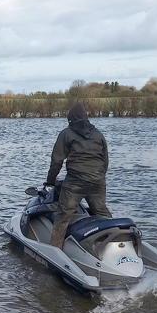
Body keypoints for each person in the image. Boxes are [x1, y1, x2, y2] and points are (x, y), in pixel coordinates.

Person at [45, 102, 112, 248]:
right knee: (101, 213)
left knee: (62, 217)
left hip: (75, 184)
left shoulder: (66, 133)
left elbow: (57, 160)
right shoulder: (98, 134)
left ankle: (55, 251)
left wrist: (50, 181)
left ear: (71, 119)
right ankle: (111, 243)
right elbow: (105, 160)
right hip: (97, 181)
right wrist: (99, 177)